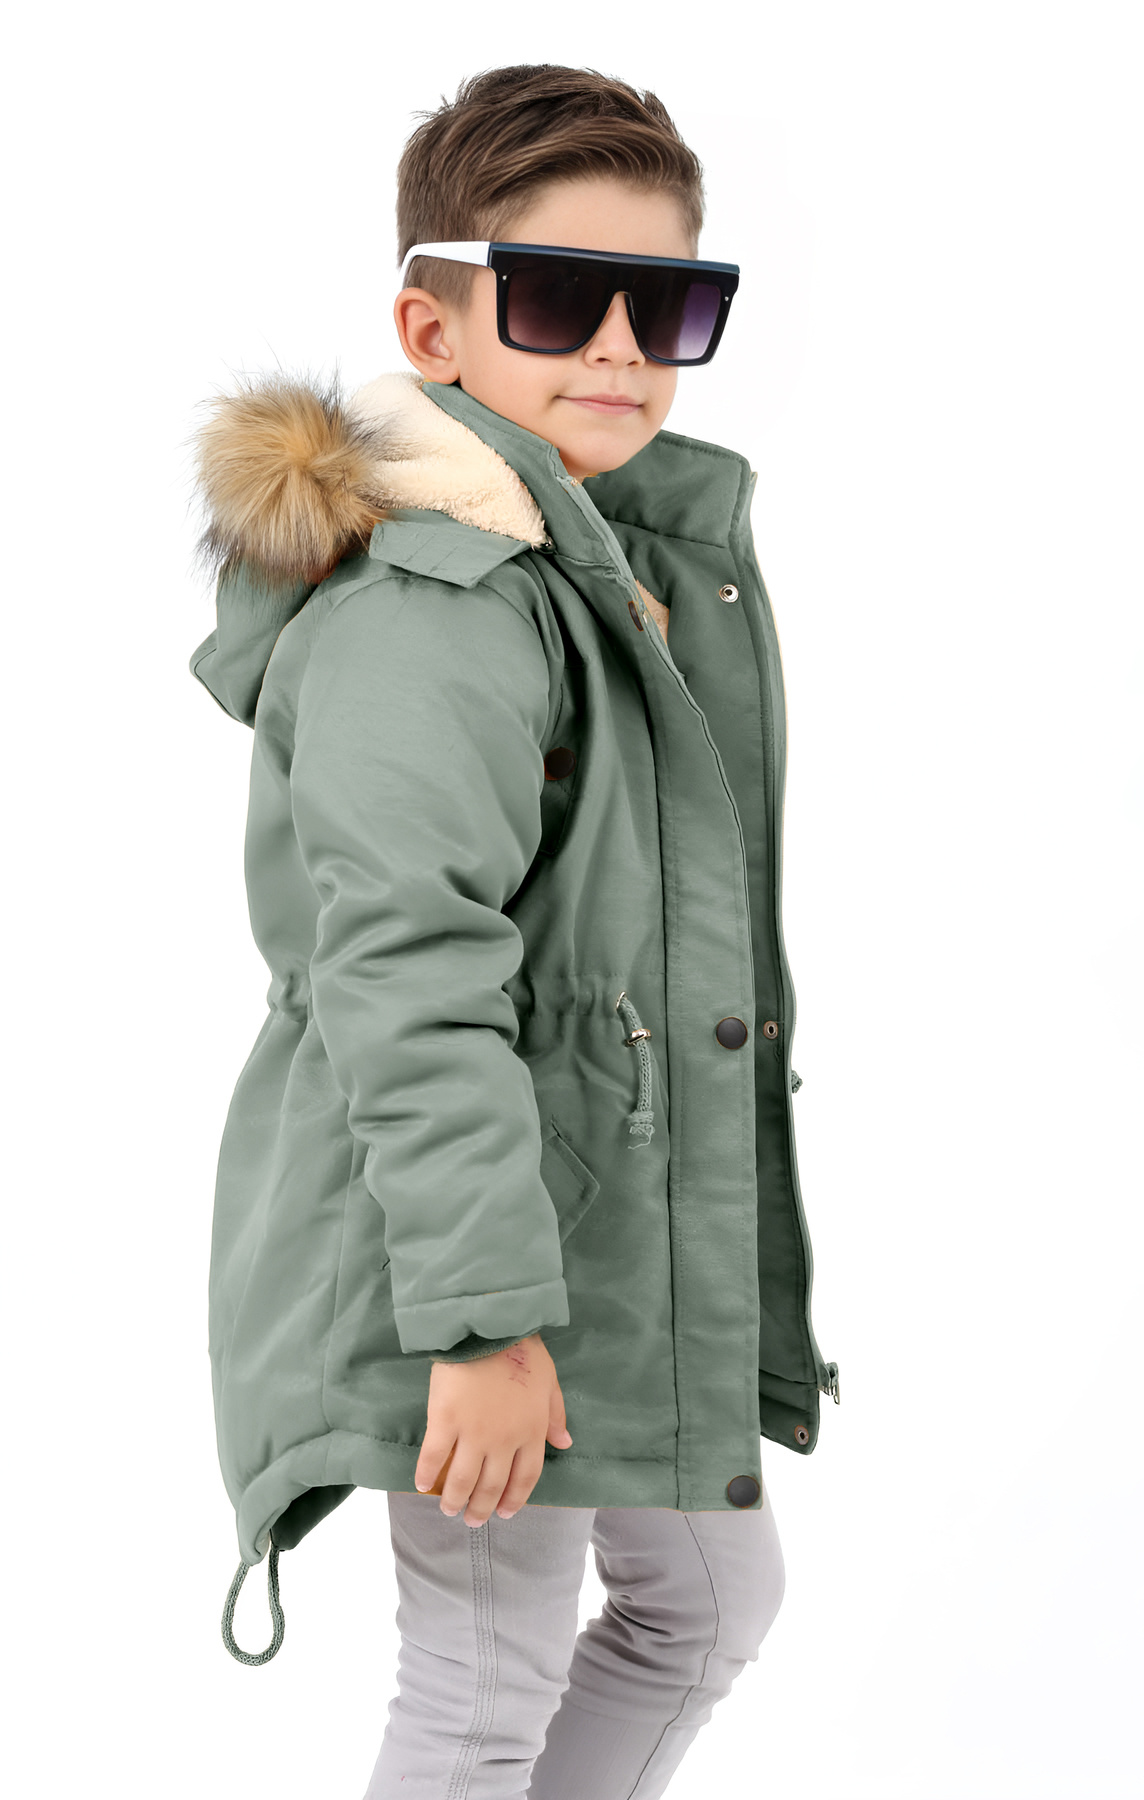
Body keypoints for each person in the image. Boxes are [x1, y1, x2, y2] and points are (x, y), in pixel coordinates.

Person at [188, 62, 838, 1800]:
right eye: (558, 296)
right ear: (436, 325)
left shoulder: (596, 568)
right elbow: (404, 971)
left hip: (596, 1226)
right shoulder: (437, 608)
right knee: (483, 1683)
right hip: (464, 1247)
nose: (620, 346)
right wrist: (477, 1328)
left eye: (669, 305)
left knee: (707, 1604)